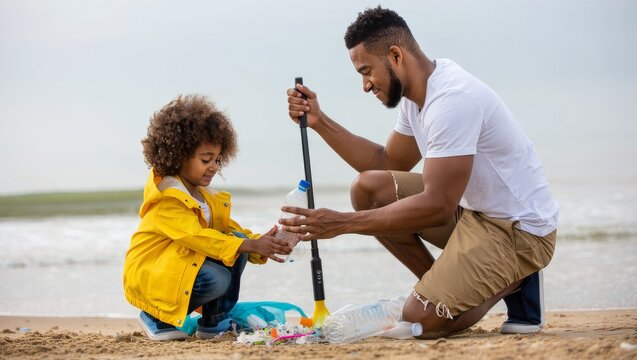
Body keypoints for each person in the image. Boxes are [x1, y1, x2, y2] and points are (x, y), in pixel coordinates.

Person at [283, 6, 558, 338]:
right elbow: (387, 164)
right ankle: (444, 292)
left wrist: (341, 223)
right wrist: (319, 121)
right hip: (475, 214)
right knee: (368, 190)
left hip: (518, 231)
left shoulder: (452, 100)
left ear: (396, 55)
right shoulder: (418, 96)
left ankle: (516, 280)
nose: (366, 85)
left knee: (419, 321)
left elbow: (437, 205)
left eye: (366, 71)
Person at [123, 94, 292, 341]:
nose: (213, 166)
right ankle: (155, 315)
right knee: (218, 277)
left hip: (180, 267)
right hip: (153, 277)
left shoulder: (204, 197)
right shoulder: (166, 199)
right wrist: (249, 244)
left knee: (236, 241)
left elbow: (229, 232)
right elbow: (197, 237)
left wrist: (260, 244)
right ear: (178, 155)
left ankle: (214, 321)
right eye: (206, 159)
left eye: (217, 160)